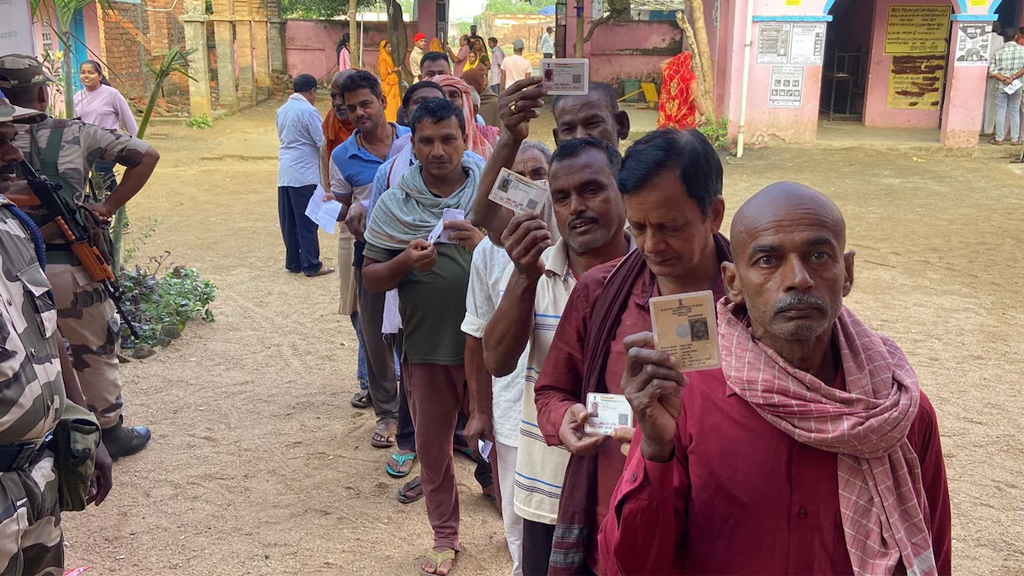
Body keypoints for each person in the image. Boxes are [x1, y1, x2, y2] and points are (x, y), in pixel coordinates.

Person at [601, 182, 952, 576]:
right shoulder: (686, 399)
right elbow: (634, 564)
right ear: (733, 282)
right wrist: (656, 449)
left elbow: (932, 552)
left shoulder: (898, 411)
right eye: (768, 260)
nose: (798, 279)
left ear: (847, 272)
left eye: (818, 255)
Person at [533, 129, 731, 575]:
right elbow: (551, 391)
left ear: (713, 214)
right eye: (638, 227)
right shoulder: (601, 291)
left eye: (670, 227)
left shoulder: (752, 301)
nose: (651, 246)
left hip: (723, 532)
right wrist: (565, 418)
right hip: (622, 528)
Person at [481, 137, 633, 576]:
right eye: (562, 197)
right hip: (547, 487)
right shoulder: (538, 269)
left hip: (627, 484)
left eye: (591, 190)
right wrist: (525, 277)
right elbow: (497, 361)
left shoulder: (651, 273)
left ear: (622, 190)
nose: (576, 207)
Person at [0, 54, 159, 461]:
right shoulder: (76, 133)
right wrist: (106, 207)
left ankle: (42, 430)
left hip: (11, 270)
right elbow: (147, 155)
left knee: (23, 352)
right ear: (42, 92)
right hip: (69, 264)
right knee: (94, 347)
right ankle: (109, 431)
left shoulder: (4, 141)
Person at [362, 98, 485, 576]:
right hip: (428, 349)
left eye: (448, 139)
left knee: (503, 440)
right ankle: (445, 536)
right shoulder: (394, 204)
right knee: (433, 450)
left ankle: (517, 519)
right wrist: (404, 264)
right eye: (426, 141)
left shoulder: (488, 195)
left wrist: (483, 240)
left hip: (495, 348)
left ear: (465, 139)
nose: (438, 150)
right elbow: (372, 277)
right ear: (411, 145)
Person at [0, 98, 114, 574]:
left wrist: (80, 420)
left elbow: (48, 332)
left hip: (35, 481)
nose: (11, 154)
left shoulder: (13, 225)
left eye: (9, 137)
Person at [462, 140, 552, 576]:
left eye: (539, 174)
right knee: (518, 518)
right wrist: (480, 410)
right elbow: (476, 336)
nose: (529, 186)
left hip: (571, 413)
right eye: (515, 179)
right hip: (515, 410)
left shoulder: (573, 243)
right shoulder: (487, 254)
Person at [329, 70, 410, 448]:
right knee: (376, 339)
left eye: (365, 103)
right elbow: (341, 208)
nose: (359, 113)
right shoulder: (342, 155)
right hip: (371, 252)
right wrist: (344, 211)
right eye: (351, 108)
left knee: (416, 335)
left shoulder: (413, 140)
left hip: (417, 250)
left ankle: (420, 414)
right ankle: (388, 415)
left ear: (382, 100)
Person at [472, 77, 630, 238]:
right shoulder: (544, 195)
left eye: (592, 124)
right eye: (568, 129)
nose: (580, 136)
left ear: (621, 125)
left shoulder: (645, 185)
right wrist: (511, 137)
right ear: (557, 139)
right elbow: (485, 216)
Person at [320, 69, 370, 409]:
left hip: (395, 240)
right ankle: (370, 380)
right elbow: (332, 195)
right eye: (337, 98)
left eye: (349, 99)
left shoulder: (403, 140)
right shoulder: (334, 145)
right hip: (352, 238)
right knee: (359, 312)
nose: (341, 105)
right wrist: (329, 209)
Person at [276, 74, 332, 278]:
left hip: (285, 172)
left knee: (289, 219)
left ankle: (293, 261)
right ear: (312, 91)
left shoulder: (282, 110)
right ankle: (311, 263)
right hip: (304, 173)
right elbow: (321, 141)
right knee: (307, 219)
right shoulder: (309, 111)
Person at [74, 59, 139, 203]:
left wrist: (134, 143)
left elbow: (128, 120)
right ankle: (105, 211)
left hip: (109, 144)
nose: (86, 76)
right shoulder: (77, 97)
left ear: (100, 76)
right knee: (93, 181)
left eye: (91, 72)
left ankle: (118, 209)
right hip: (87, 145)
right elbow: (74, 123)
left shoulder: (112, 94)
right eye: (83, 72)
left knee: (102, 175)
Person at [433, 74, 496, 156]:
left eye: (453, 96)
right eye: (441, 95)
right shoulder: (414, 140)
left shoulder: (490, 139)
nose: (447, 100)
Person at [988, 28, 1024, 146]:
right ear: (1015, 37)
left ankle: (999, 138)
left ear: (1003, 39)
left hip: (1001, 86)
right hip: (1017, 86)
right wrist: (1013, 77)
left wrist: (1004, 79)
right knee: (1014, 111)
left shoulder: (998, 53)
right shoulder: (1022, 51)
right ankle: (1015, 139)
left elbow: (992, 71)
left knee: (1001, 110)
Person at [657, 52, 706, 130]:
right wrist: (702, 113)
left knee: (666, 136)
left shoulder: (669, 72)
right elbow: (695, 97)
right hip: (684, 116)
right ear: (689, 63)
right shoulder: (690, 77)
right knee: (683, 138)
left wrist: (678, 58)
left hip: (668, 114)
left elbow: (663, 63)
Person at [981, 22, 1006, 138]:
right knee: (991, 102)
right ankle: (988, 129)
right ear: (999, 29)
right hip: (995, 73)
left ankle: (977, 127)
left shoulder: (982, 38)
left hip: (979, 72)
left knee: (979, 100)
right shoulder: (1001, 39)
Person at [378, 40, 402, 123]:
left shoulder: (389, 57)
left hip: (393, 83)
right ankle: (389, 119)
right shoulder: (383, 58)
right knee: (390, 103)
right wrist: (392, 70)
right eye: (388, 47)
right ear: (383, 48)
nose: (390, 49)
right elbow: (382, 73)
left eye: (390, 47)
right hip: (388, 84)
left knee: (395, 102)